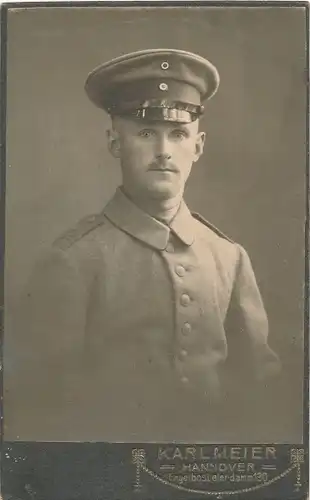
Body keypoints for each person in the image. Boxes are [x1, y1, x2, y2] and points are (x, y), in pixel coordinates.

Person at [5, 49, 281, 442]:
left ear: (198, 147)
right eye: (146, 133)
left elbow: (260, 391)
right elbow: (42, 407)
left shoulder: (229, 258)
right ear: (115, 142)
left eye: (178, 134)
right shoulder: (73, 262)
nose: (164, 151)